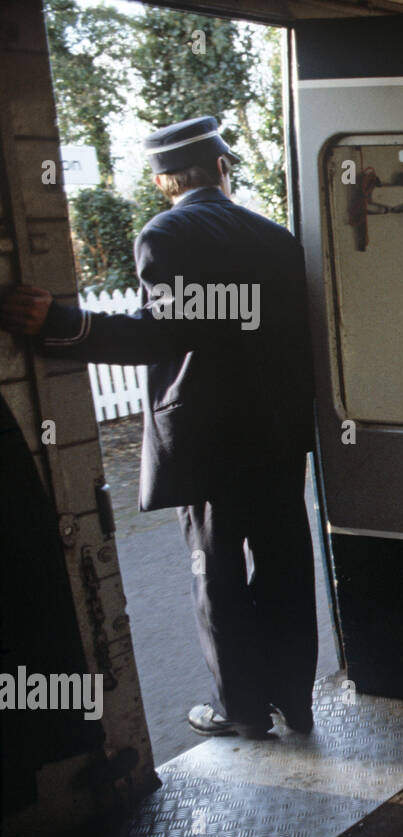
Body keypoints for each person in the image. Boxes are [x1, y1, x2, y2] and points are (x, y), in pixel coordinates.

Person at [0, 116, 317, 739]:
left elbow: (163, 332)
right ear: (223, 167)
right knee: (284, 565)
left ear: (161, 179)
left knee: (215, 574)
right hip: (278, 437)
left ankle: (243, 711)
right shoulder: (277, 237)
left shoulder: (165, 232)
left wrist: (63, 323)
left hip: (207, 444)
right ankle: (294, 702)